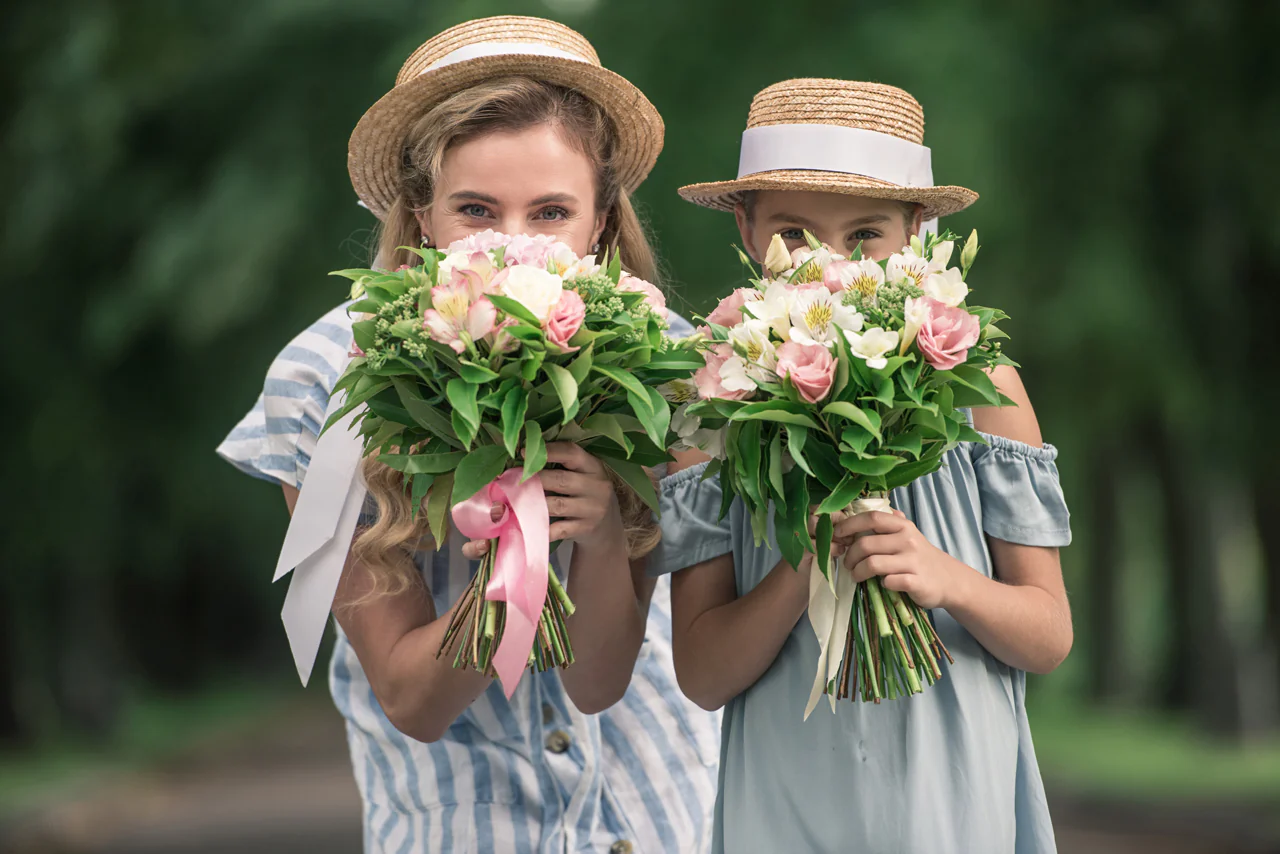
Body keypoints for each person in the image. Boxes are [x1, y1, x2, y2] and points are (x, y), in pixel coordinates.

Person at [217, 17, 718, 853]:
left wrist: (598, 534)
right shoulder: (322, 381)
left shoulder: (662, 359)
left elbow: (599, 681)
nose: (514, 243)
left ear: (600, 223)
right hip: (465, 823)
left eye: (551, 211)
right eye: (476, 210)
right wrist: (513, 564)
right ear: (422, 216)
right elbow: (412, 701)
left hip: (654, 811)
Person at [658, 78, 1073, 853]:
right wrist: (803, 561)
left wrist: (944, 576)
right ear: (748, 229)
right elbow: (704, 676)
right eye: (793, 232)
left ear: (918, 230)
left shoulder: (983, 390)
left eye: (865, 235)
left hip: (951, 793)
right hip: (788, 792)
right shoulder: (710, 407)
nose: (829, 266)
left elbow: (1048, 634)